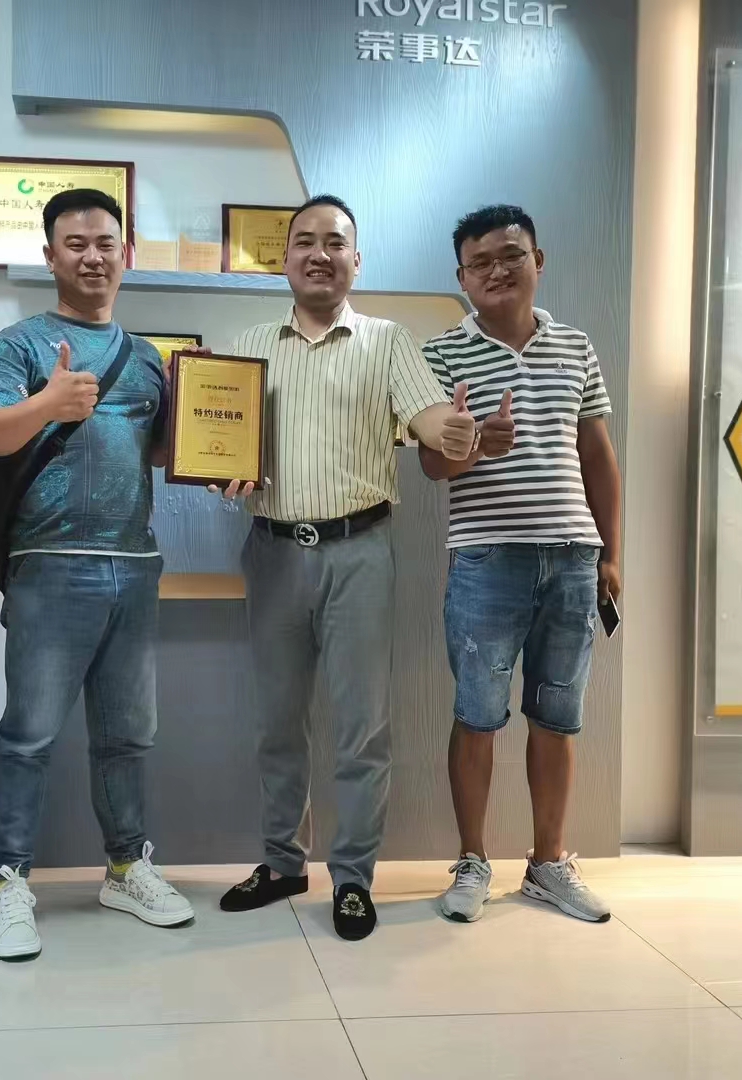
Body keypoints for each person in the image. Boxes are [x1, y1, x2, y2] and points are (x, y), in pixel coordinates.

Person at [216, 195, 477, 941]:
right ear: (284, 259)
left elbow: (429, 420)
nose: (319, 254)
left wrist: (455, 430)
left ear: (356, 261)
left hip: (360, 550)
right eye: (304, 241)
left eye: (335, 243)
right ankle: (283, 862)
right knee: (277, 723)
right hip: (272, 550)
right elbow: (216, 439)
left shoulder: (389, 343)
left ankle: (354, 878)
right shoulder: (245, 346)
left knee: (363, 728)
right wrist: (217, 468)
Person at [0, 188, 193, 962]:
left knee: (128, 735)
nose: (92, 256)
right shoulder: (19, 345)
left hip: (135, 565)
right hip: (48, 567)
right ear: (50, 256)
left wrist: (224, 461)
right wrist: (48, 403)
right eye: (75, 244)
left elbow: (161, 449)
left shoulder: (150, 359)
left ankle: (127, 868)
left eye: (105, 243)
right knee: (27, 736)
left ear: (125, 255)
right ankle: (9, 882)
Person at [419, 204, 621, 924]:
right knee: (477, 715)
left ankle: (548, 864)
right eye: (480, 262)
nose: (497, 271)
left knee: (558, 717)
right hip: (485, 559)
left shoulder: (576, 346)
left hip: (572, 558)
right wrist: (476, 444)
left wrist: (611, 553)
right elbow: (431, 467)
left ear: (539, 261)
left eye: (511, 255)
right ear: (462, 278)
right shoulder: (442, 354)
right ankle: (472, 861)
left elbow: (596, 454)